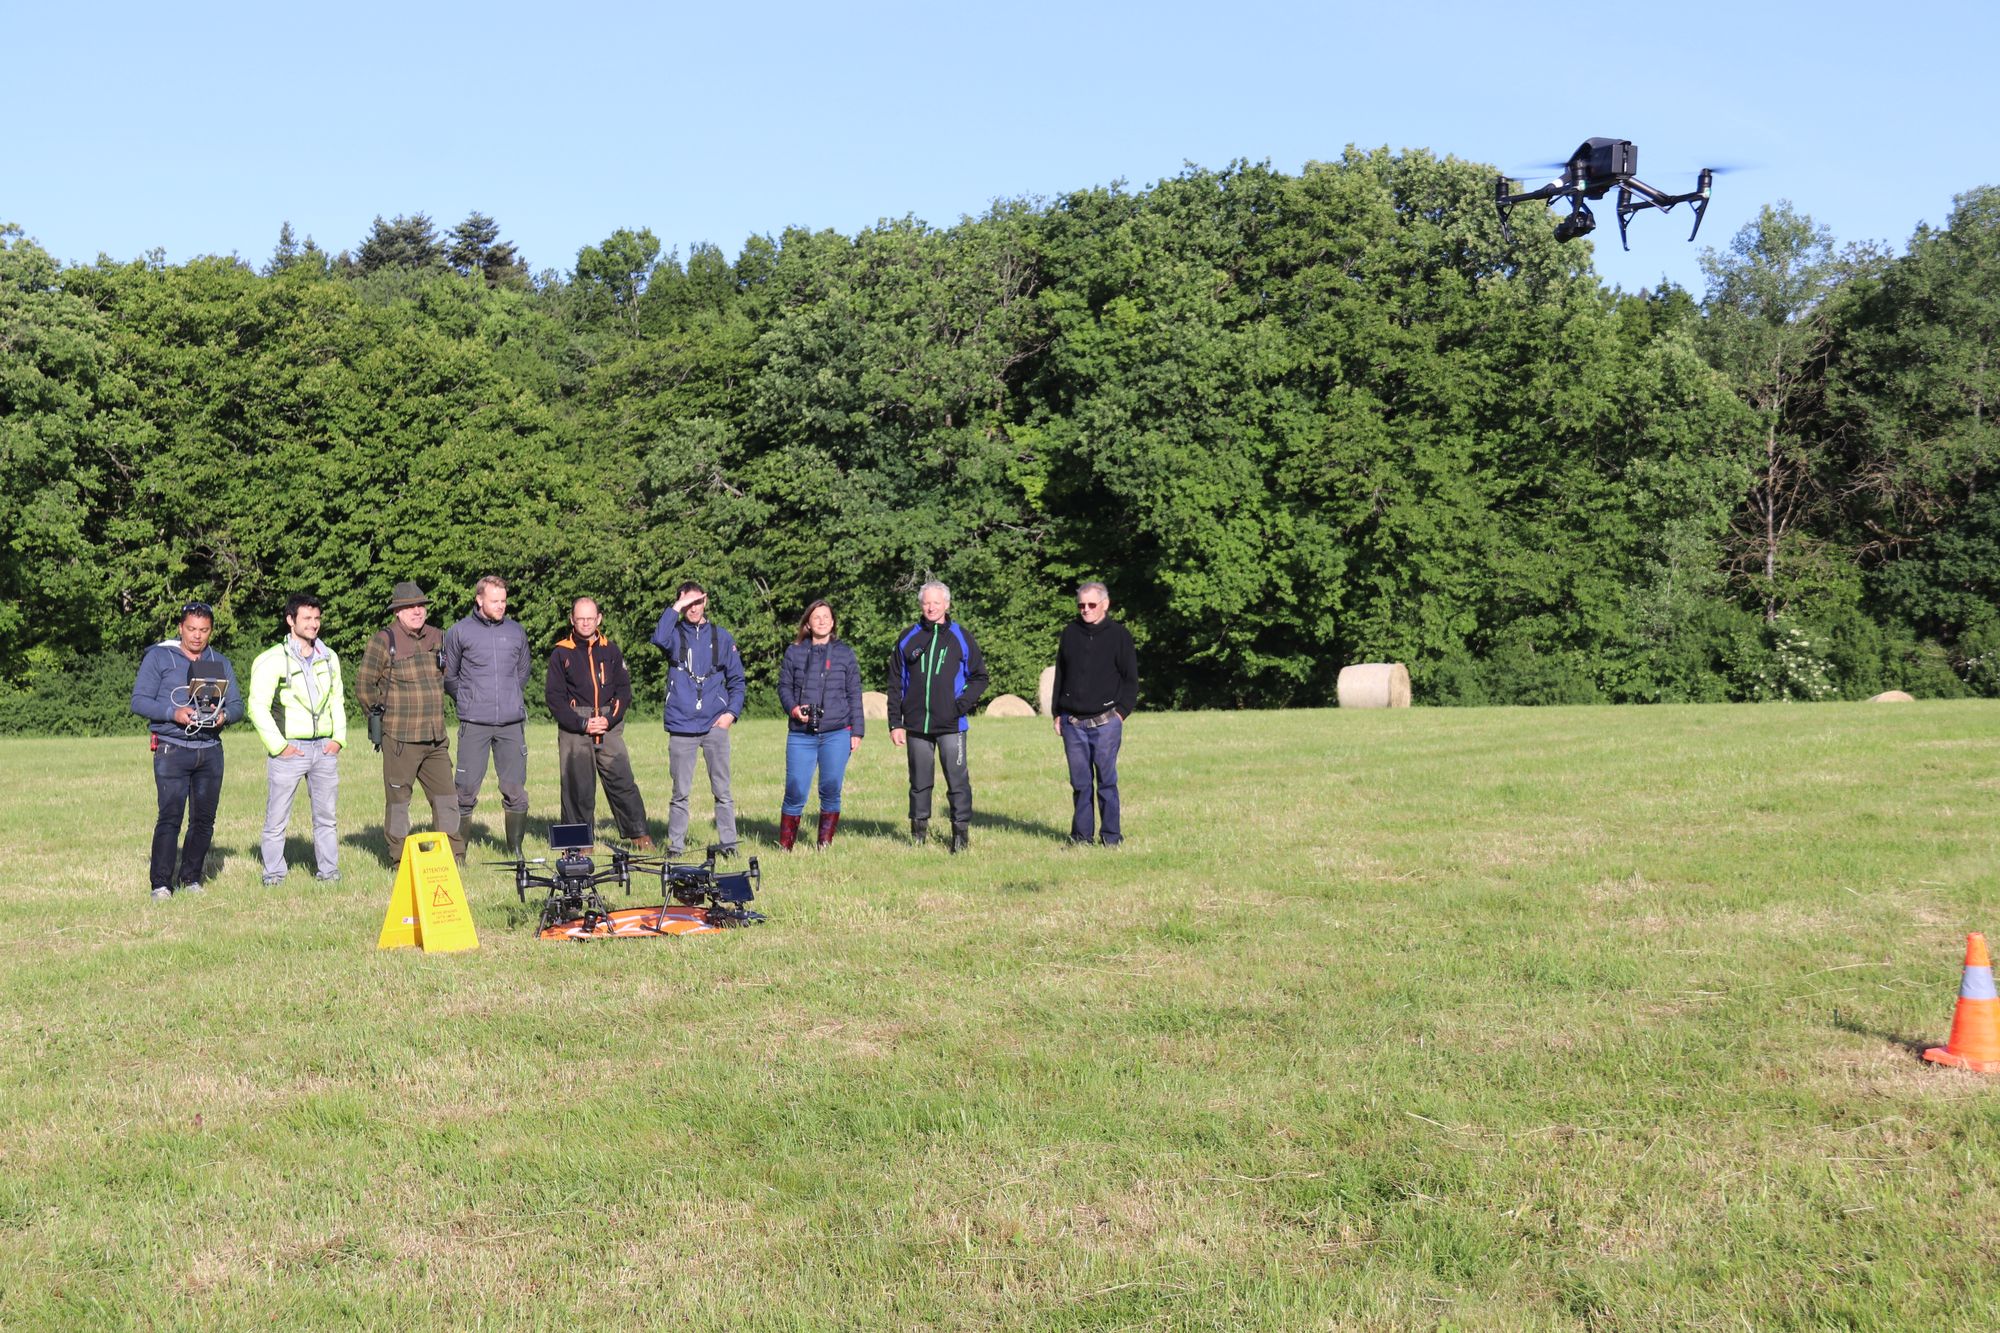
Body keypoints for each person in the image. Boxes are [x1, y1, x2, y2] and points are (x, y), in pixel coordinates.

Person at [130, 601, 244, 900]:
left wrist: (225, 717)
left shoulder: (220, 661)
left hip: (210, 749)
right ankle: (161, 885)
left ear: (211, 631)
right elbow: (139, 701)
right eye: (191, 629)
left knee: (204, 820)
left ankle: (191, 878)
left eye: (203, 630)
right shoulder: (159, 657)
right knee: (170, 817)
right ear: (180, 628)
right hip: (172, 748)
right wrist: (172, 712)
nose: (197, 636)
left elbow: (236, 705)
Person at [356, 581, 463, 861]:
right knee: (399, 805)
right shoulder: (384, 640)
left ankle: (454, 858)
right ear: (398, 612)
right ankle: (399, 859)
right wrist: (380, 717)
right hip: (400, 739)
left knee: (447, 801)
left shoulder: (438, 637)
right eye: (410, 607)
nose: (417, 611)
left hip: (436, 738)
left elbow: (449, 675)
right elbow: (364, 685)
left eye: (421, 606)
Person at [246, 593, 347, 885]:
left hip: (325, 748)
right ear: (290, 620)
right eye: (307, 618)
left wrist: (338, 739)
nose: (314, 624)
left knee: (327, 818)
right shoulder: (271, 659)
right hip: (290, 750)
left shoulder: (330, 657)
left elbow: (337, 701)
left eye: (317, 618)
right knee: (277, 819)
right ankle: (274, 874)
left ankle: (330, 873)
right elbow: (257, 707)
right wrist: (279, 747)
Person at [886, 581, 988, 853]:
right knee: (919, 781)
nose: (931, 607)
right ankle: (918, 836)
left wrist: (960, 705)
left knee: (958, 781)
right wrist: (895, 722)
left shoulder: (960, 636)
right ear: (920, 605)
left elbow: (980, 677)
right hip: (917, 725)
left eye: (936, 602)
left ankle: (960, 836)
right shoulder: (908, 637)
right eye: (926, 603)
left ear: (947, 604)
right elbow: (895, 682)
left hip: (952, 725)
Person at [545, 596, 654, 849]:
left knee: (623, 781)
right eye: (580, 618)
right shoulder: (560, 653)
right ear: (572, 619)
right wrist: (583, 724)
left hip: (608, 724)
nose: (585, 623)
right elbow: (555, 698)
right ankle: (577, 843)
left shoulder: (611, 650)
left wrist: (608, 719)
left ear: (599, 619)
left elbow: (624, 691)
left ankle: (639, 834)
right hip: (575, 728)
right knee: (576, 787)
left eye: (590, 618)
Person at [650, 580, 745, 856]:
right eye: (688, 603)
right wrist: (676, 607)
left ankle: (729, 845)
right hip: (681, 725)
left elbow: (737, 680)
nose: (694, 608)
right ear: (681, 605)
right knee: (680, 793)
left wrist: (730, 714)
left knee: (723, 791)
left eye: (698, 602)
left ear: (706, 602)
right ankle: (676, 846)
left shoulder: (722, 637)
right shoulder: (674, 635)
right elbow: (657, 638)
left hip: (715, 723)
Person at [443, 575, 532, 858]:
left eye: (504, 600)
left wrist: (506, 698)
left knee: (515, 790)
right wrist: (471, 700)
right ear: (479, 600)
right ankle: (459, 853)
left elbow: (522, 673)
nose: (501, 606)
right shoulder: (459, 632)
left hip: (511, 724)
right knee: (465, 791)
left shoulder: (516, 632)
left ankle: (515, 849)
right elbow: (450, 677)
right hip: (474, 723)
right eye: (495, 601)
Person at [1051, 581, 1139, 847]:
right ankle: (1081, 837)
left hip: (1106, 723)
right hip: (1072, 723)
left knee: (1107, 782)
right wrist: (1057, 713)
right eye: (1081, 605)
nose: (1085, 610)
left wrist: (1120, 714)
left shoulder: (1119, 636)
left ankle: (1111, 837)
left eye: (1091, 605)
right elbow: (1061, 674)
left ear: (1105, 604)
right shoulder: (1070, 633)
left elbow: (1131, 680)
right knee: (1080, 783)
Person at [776, 599, 866, 851]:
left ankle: (824, 844)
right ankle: (786, 846)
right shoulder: (794, 652)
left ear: (833, 622)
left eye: (826, 616)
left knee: (830, 788)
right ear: (808, 623)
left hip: (836, 732)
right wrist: (794, 708)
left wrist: (857, 731)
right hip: (801, 734)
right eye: (817, 617)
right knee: (795, 789)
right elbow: (783, 687)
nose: (822, 621)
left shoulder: (845, 653)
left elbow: (854, 693)